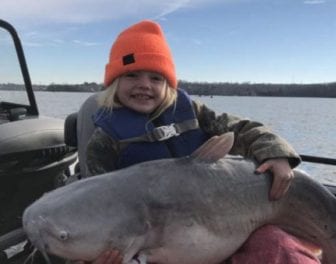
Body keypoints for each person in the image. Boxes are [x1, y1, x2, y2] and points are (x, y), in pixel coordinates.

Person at [79, 20, 320, 264]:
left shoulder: (193, 112)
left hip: (223, 225)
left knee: (280, 247)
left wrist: (275, 153)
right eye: (132, 75)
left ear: (168, 85)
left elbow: (244, 130)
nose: (144, 85)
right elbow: (96, 208)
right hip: (156, 244)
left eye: (156, 78)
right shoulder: (104, 142)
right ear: (114, 83)